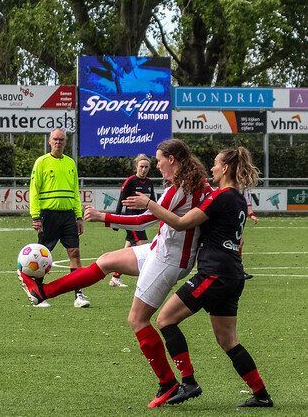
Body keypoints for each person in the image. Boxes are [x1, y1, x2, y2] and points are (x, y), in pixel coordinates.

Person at [18, 138, 210, 408]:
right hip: (160, 251)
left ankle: (167, 383)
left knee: (138, 320)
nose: (156, 165)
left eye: (159, 160)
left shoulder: (180, 187)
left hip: (168, 260)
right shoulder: (194, 184)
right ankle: (43, 291)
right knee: (106, 260)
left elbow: (145, 219)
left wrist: (103, 216)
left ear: (173, 160)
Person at [124, 147, 273, 408]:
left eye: (215, 164)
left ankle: (188, 381)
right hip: (232, 275)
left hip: (214, 274)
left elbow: (182, 223)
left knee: (165, 319)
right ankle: (261, 394)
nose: (212, 168)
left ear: (225, 168)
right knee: (227, 340)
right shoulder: (237, 199)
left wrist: (149, 205)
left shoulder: (221, 197)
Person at [29, 128, 88, 308]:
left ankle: (78, 294)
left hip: (68, 216)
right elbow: (34, 190)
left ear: (65, 142)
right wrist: (36, 217)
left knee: (75, 253)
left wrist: (79, 216)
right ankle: (38, 294)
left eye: (61, 139)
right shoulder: (41, 162)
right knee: (42, 256)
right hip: (48, 216)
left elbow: (75, 192)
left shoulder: (70, 163)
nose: (58, 142)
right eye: (55, 139)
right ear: (49, 141)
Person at [109, 153, 157, 288]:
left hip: (142, 222)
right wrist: (116, 220)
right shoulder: (130, 181)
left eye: (146, 167)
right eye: (141, 166)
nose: (144, 169)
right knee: (146, 248)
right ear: (136, 167)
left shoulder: (149, 182)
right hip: (132, 221)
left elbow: (152, 201)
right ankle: (146, 281)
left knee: (127, 249)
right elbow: (121, 201)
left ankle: (115, 277)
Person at [242, 188, 258, 280]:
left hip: (237, 216)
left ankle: (238, 270)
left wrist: (251, 215)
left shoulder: (244, 188)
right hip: (226, 216)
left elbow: (248, 203)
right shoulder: (225, 184)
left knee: (239, 242)